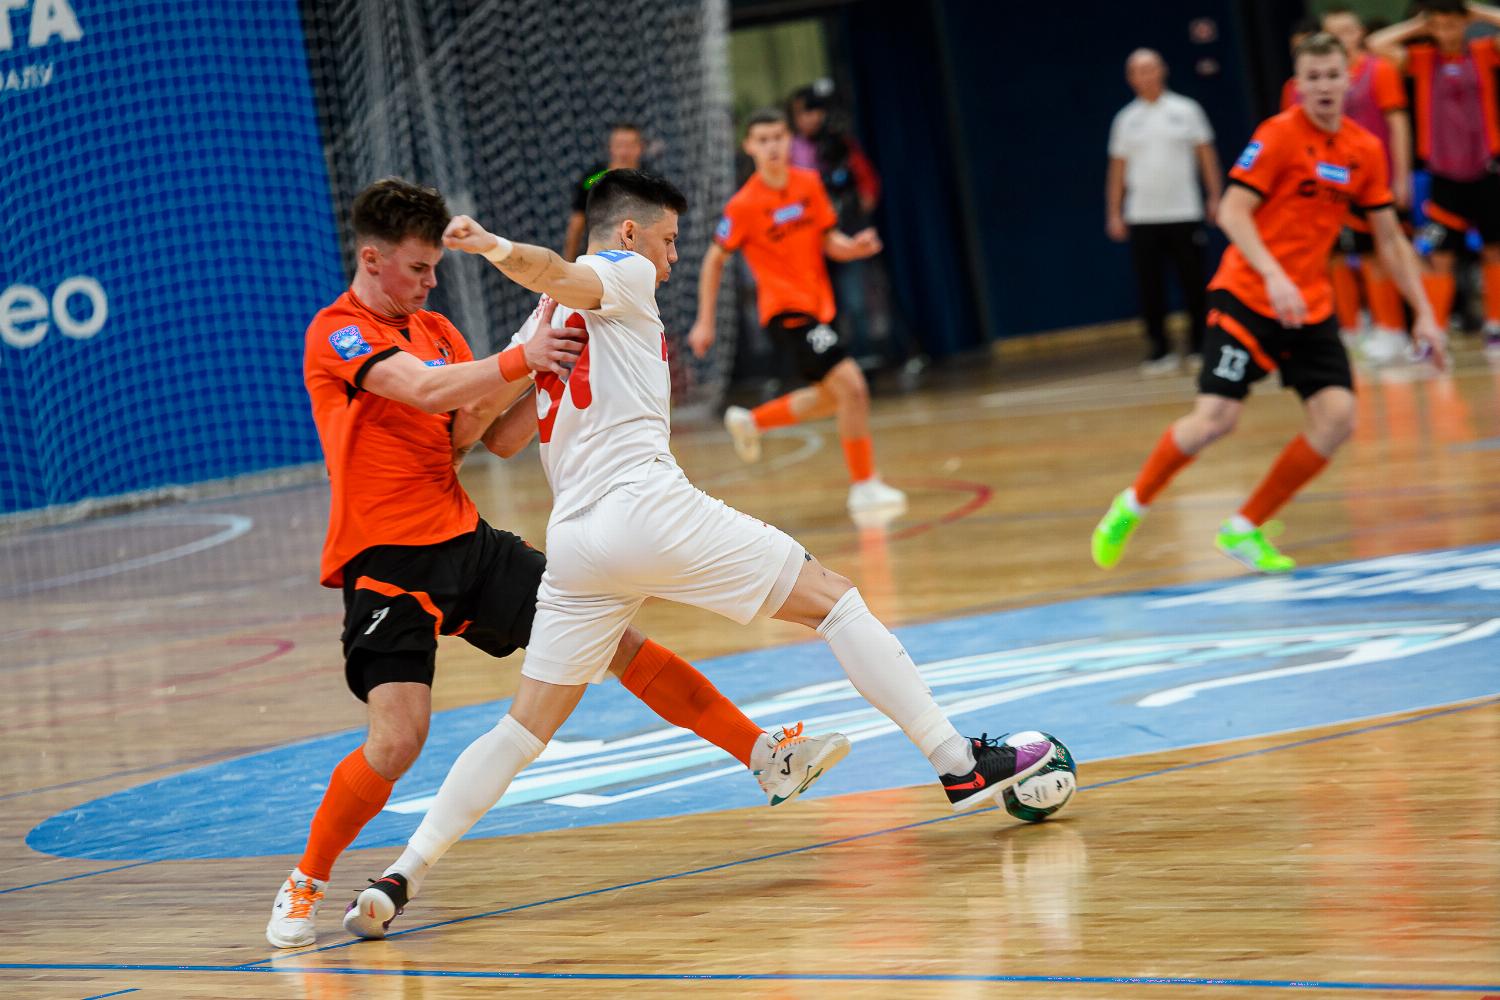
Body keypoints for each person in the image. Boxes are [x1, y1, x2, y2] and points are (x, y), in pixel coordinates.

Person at [343, 170, 1057, 939]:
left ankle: (400, 875)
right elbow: (554, 268)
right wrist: (494, 247)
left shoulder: (542, 320)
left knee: (522, 730)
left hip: (577, 543)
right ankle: (958, 765)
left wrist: (513, 378)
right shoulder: (619, 271)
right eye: (670, 239)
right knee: (835, 601)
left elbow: (499, 437)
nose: (674, 257)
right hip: (646, 509)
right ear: (629, 233)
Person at [266, 177, 848, 950]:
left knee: (619, 642)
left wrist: (548, 373)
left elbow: (479, 435)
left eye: (436, 267)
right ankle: (306, 881)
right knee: (399, 738)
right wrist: (520, 356)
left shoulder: (437, 328)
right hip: (385, 562)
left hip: (465, 543)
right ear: (372, 260)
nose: (431, 282)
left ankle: (764, 757)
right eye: (417, 268)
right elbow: (425, 391)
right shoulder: (337, 331)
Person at [1091, 33, 1446, 576]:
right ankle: (1131, 503)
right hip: (1249, 294)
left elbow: (1390, 239)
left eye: (1332, 75)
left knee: (1337, 417)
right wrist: (1274, 275)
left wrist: (1424, 312)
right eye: (1313, 77)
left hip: (1308, 305)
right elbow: (1233, 211)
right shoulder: (1278, 136)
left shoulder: (1364, 149)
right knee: (1215, 419)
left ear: (1348, 80)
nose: (1323, 86)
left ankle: (1244, 526)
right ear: (1297, 84)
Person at [687, 109, 906, 517]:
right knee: (854, 387)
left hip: (820, 306)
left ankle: (752, 421)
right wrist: (705, 321)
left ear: (789, 140)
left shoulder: (808, 184)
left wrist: (854, 248)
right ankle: (864, 486)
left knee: (832, 397)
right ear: (749, 146)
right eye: (762, 139)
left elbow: (829, 240)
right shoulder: (743, 205)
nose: (772, 146)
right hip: (786, 312)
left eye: (777, 137)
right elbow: (714, 260)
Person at [1285, 8, 1415, 362]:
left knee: (1379, 251)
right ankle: (1350, 327)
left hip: (1369, 176)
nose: (1342, 37)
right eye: (1334, 31)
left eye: (1348, 30)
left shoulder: (1378, 70)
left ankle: (1391, 328)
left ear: (1359, 34)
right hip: (1322, 183)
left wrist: (1401, 176)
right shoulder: (1298, 87)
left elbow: (1398, 124)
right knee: (1333, 257)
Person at [1370, 0, 1500, 350]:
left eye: (1452, 24)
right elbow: (1375, 45)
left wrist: (1476, 12)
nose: (1446, 32)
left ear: (1464, 23)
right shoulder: (1423, 60)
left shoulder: (1484, 52)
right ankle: (1435, 330)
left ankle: (1495, 325)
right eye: (1439, 26)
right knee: (1440, 255)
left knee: (1494, 250)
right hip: (1443, 176)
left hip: (1487, 170)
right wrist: (1421, 25)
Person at [1106, 49, 1222, 374]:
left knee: (1193, 281)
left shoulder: (1186, 110)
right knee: (1150, 286)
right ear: (1130, 78)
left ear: (1163, 70)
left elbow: (1206, 155)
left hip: (1184, 211)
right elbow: (1117, 170)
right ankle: (1159, 349)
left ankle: (1200, 344)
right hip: (1142, 215)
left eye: (1150, 68)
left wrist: (1215, 196)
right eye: (1138, 71)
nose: (1146, 76)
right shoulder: (1126, 120)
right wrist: (1114, 212)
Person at [562, 122, 645, 262]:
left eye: (630, 146)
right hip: (599, 256)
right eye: (619, 145)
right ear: (610, 147)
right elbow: (577, 221)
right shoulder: (592, 179)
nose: (624, 152)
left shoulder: (651, 181)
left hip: (640, 257)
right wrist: (568, 261)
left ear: (640, 148)